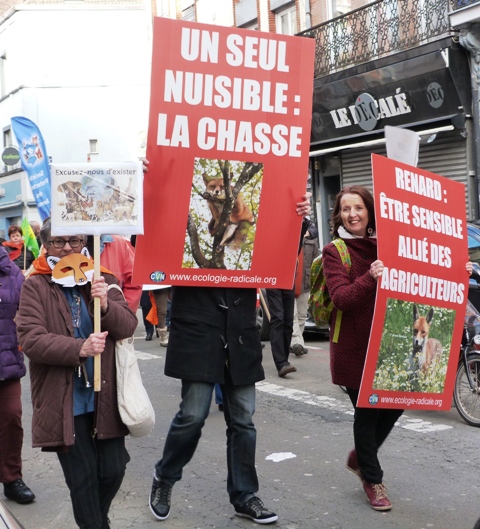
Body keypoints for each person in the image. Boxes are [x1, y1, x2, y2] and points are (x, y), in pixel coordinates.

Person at [148, 194, 312, 525]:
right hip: (198, 326)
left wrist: (298, 219)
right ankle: (165, 477)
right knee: (192, 415)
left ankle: (244, 495)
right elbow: (151, 239)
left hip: (238, 328)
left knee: (243, 421)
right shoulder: (186, 221)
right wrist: (150, 188)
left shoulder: (246, 227)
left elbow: (277, 253)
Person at [16, 219, 138, 529]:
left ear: (84, 240)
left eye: (74, 240)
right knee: (82, 480)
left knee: (113, 469)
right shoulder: (36, 283)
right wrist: (79, 348)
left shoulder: (102, 277)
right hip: (64, 399)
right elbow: (30, 338)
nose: (68, 247)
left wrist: (106, 303)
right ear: (46, 245)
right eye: (58, 241)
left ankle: (97, 519)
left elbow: (127, 326)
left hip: (104, 395)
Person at [0, 245, 35, 505]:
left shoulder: (12, 273)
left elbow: (29, 315)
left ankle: (11, 478)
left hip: (6, 362)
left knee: (12, 418)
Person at [266, 216, 317, 377]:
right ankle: (281, 363)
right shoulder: (271, 225)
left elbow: (312, 230)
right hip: (272, 275)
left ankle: (284, 361)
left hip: (288, 276)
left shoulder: (299, 222)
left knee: (288, 320)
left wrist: (304, 229)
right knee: (278, 318)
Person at [87, 234, 142, 313]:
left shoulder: (119, 244)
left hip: (112, 320)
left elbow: (134, 282)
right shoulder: (67, 245)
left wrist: (122, 314)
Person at [290, 219, 319, 356]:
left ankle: (297, 342)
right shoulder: (287, 236)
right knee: (293, 316)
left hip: (305, 282)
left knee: (302, 315)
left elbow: (316, 258)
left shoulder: (311, 239)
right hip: (289, 281)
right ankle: (297, 343)